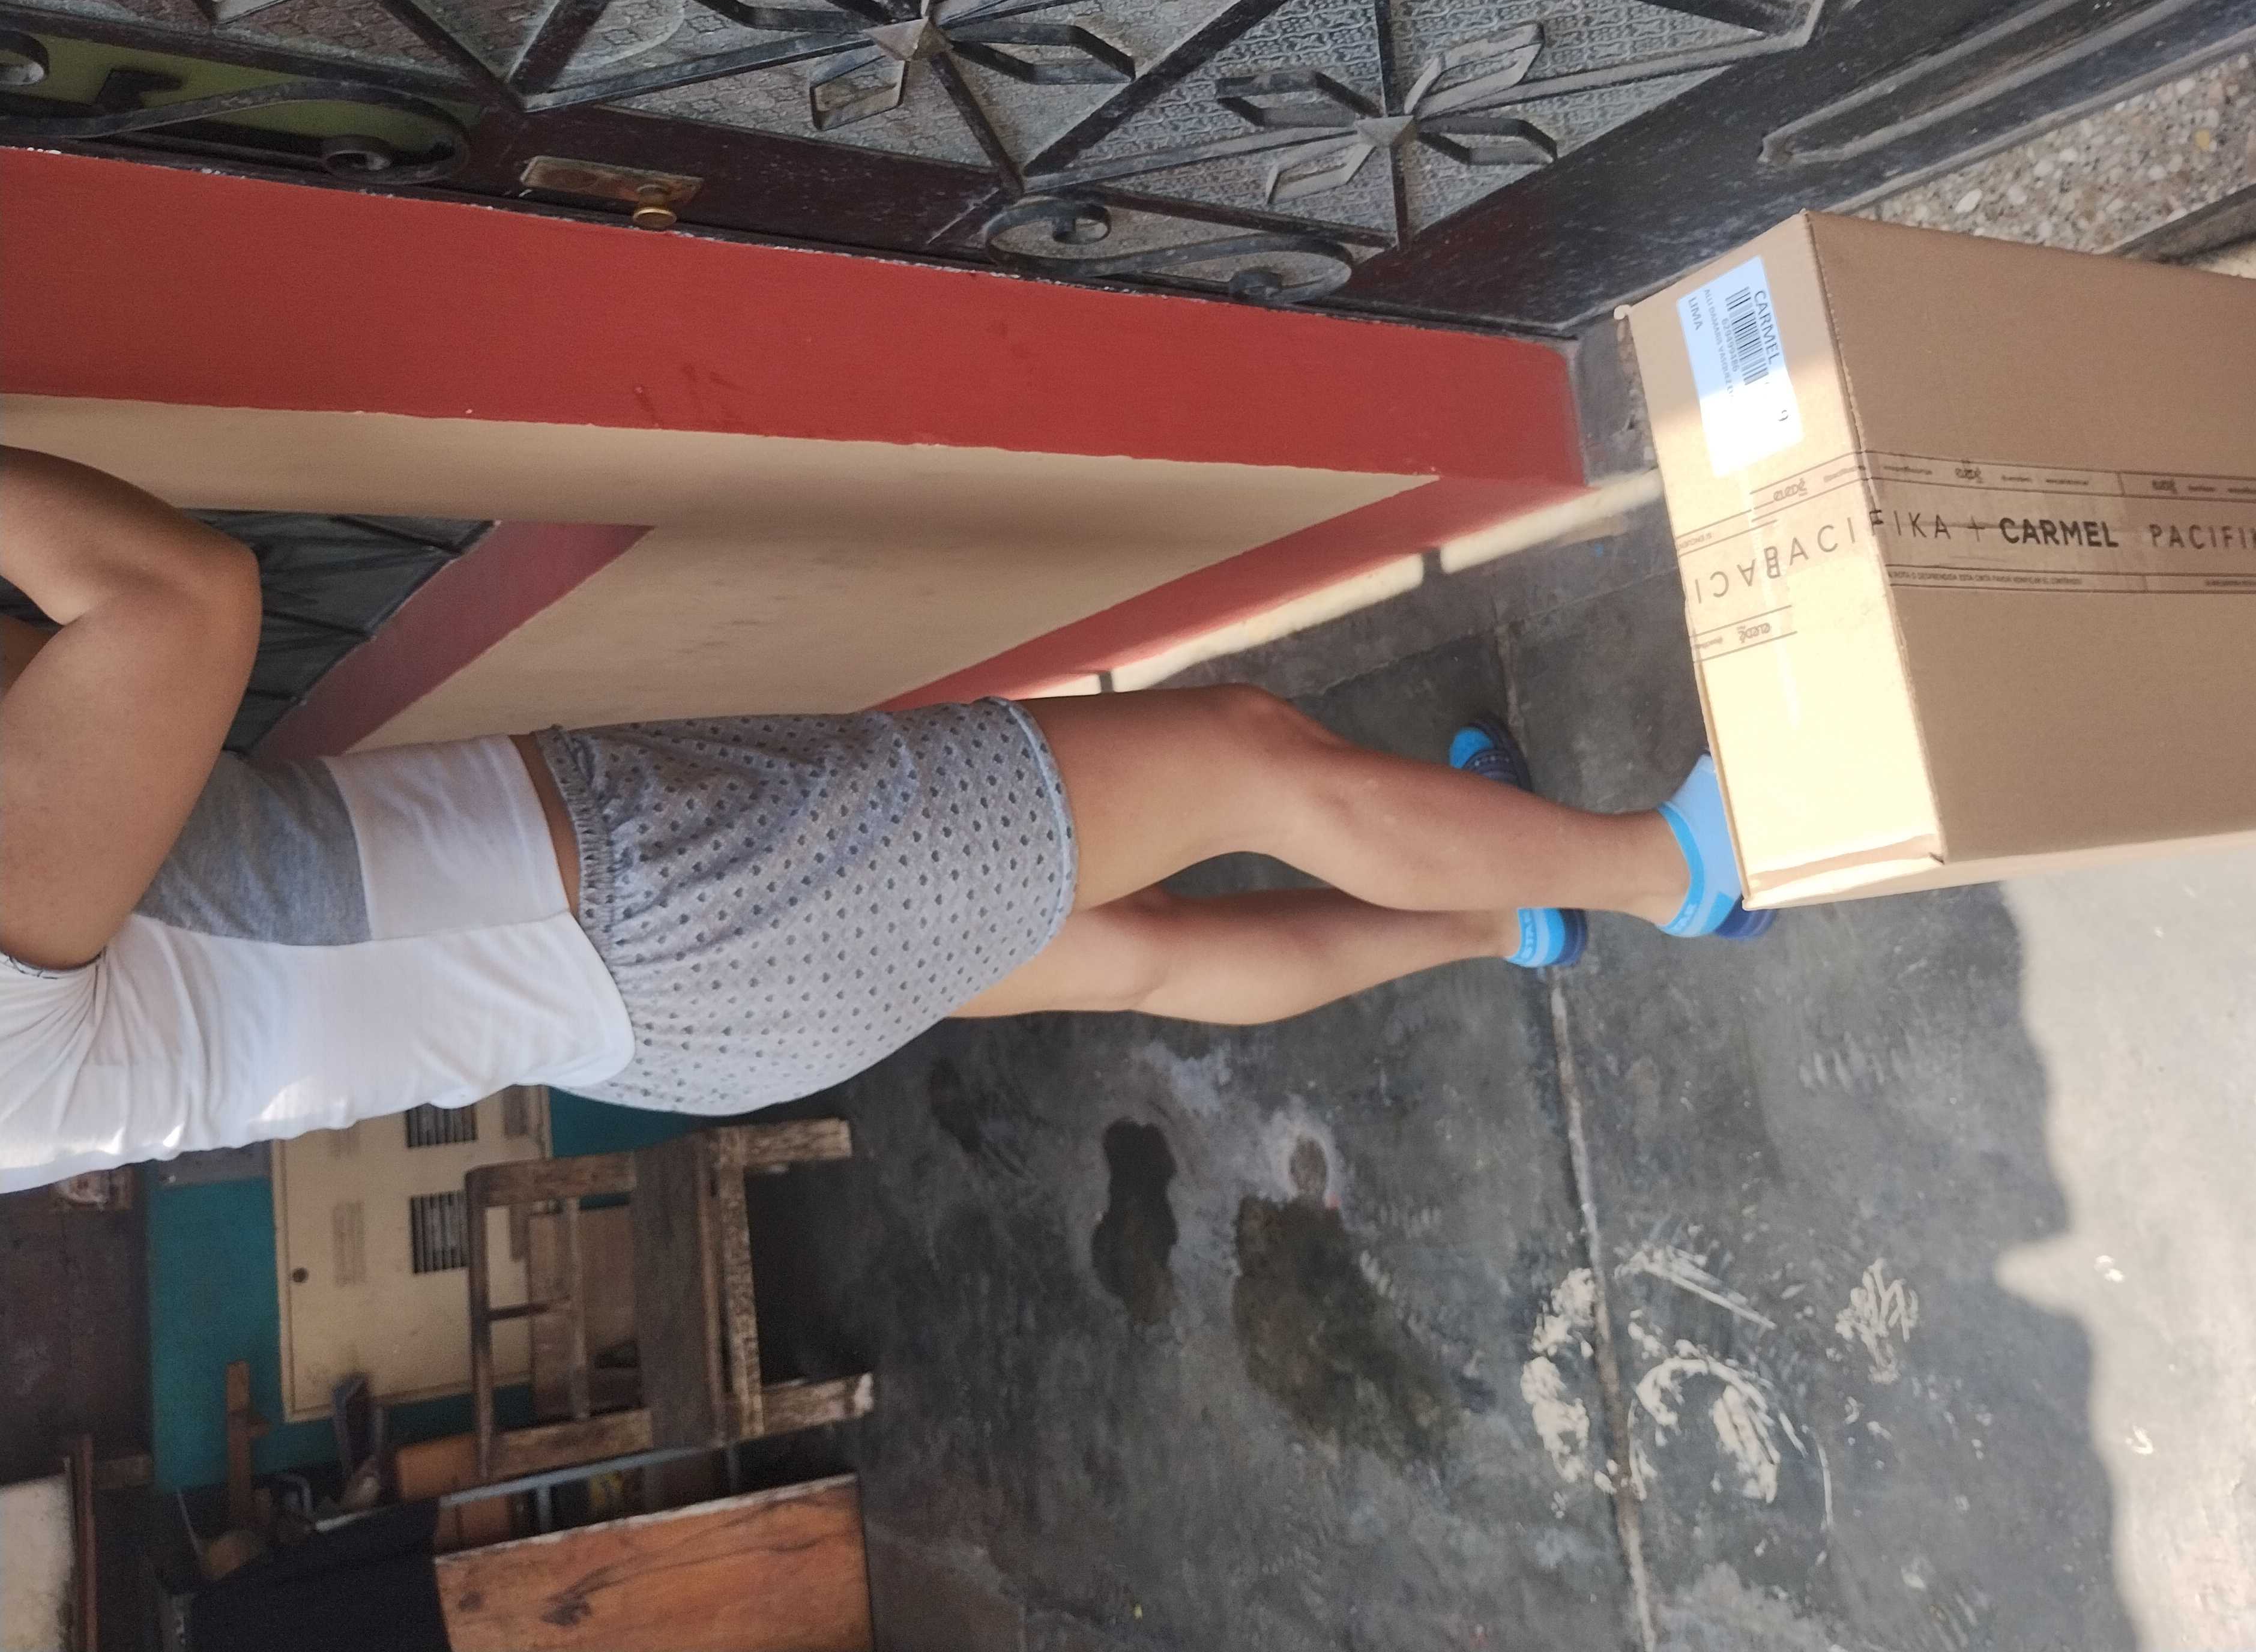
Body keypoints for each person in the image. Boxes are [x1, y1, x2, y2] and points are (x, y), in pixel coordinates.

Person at [0, 447, 1766, 1192]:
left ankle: (1498, 911)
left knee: (1141, 954)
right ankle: (1669, 870)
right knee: (1240, 757)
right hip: (678, 906)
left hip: (654, 992)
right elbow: (176, 606)